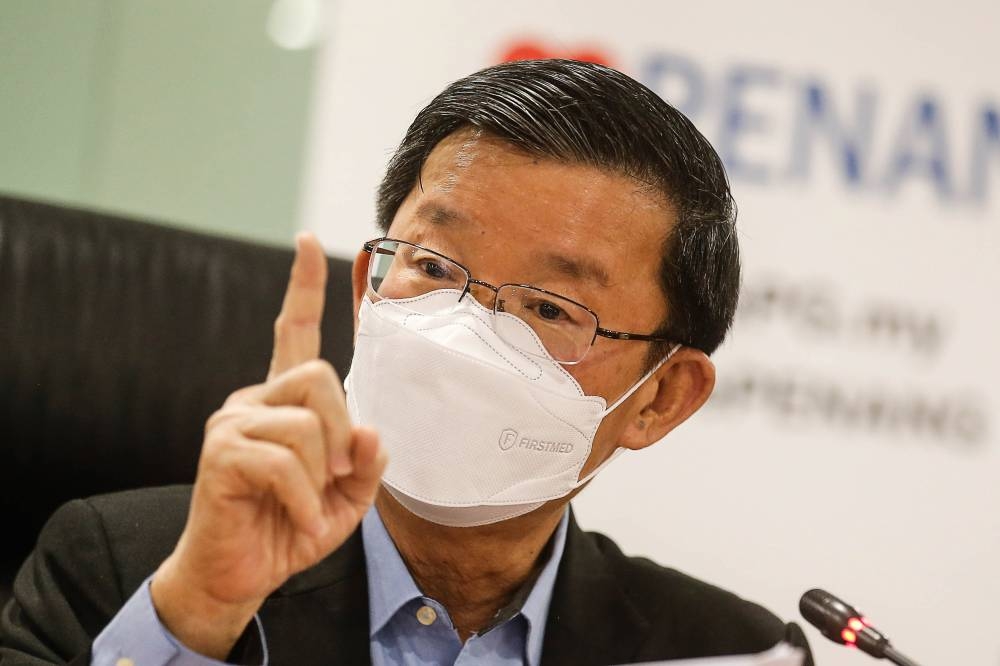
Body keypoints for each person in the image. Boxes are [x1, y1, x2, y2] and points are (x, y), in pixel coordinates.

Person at [0, 59, 813, 665]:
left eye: (550, 310)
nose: (466, 334)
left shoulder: (726, 652)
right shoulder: (121, 568)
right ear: (368, 291)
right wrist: (197, 618)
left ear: (661, 398)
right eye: (432, 267)